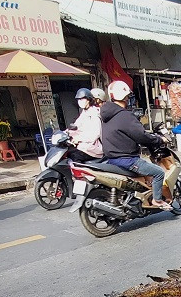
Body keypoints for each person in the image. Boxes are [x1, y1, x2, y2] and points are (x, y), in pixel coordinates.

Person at [100, 80, 172, 210]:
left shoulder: (106, 116)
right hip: (127, 159)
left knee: (146, 170)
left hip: (112, 159)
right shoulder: (124, 115)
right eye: (128, 97)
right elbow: (141, 136)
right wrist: (159, 140)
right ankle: (157, 200)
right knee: (158, 172)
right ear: (125, 98)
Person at [69, 88, 103, 160]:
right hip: (84, 146)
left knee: (74, 158)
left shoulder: (94, 113)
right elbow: (77, 125)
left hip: (93, 148)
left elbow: (95, 134)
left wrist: (78, 139)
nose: (79, 102)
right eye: (78, 100)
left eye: (82, 99)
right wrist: (65, 133)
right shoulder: (85, 112)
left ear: (88, 100)